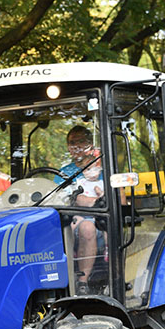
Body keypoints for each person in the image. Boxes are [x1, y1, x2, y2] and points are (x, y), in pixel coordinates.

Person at [57, 126, 104, 294]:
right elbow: (64, 198)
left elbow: (118, 197)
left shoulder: (101, 169)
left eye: (80, 142)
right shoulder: (63, 173)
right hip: (74, 219)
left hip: (101, 221)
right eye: (72, 142)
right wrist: (95, 202)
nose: (76, 146)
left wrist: (95, 203)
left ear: (90, 144)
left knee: (88, 227)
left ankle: (82, 282)